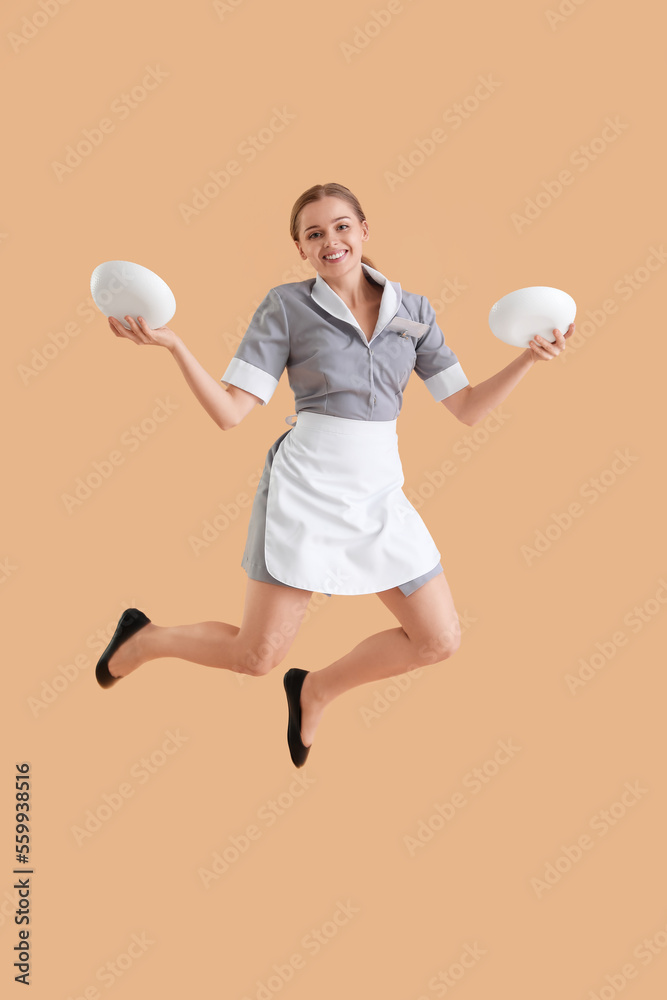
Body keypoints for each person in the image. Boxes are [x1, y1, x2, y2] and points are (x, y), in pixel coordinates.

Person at [95, 181, 574, 767]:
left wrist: (529, 356)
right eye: (314, 233)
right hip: (306, 489)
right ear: (301, 248)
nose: (331, 241)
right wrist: (172, 345)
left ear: (364, 231)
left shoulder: (414, 311)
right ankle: (144, 638)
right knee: (255, 656)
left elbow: (467, 407)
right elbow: (230, 412)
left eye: (342, 226)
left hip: (378, 493)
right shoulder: (286, 306)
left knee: (437, 640)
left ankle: (315, 689)